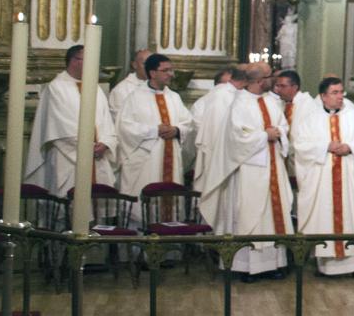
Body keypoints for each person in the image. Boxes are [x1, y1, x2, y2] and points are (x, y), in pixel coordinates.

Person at [204, 63, 292, 281]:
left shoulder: (272, 102)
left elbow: (283, 126)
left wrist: (278, 132)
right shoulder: (239, 105)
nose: (274, 79)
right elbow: (236, 139)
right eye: (270, 76)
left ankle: (272, 264)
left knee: (272, 217)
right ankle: (245, 267)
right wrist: (265, 136)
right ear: (260, 80)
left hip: (272, 167)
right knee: (249, 217)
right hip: (249, 172)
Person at [294, 76, 354, 276]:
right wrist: (325, 147)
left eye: (341, 92)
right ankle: (327, 266)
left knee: (353, 217)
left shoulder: (353, 116)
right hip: (322, 181)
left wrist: (350, 147)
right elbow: (301, 146)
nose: (340, 97)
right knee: (325, 217)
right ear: (323, 96)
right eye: (335, 93)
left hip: (350, 179)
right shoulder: (310, 121)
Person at [24, 44, 117, 195]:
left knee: (97, 207)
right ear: (74, 61)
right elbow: (59, 126)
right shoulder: (56, 88)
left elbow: (106, 121)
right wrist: (87, 146)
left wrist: (106, 143)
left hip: (98, 156)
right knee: (70, 207)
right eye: (89, 60)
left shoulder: (95, 88)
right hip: (68, 157)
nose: (94, 65)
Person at [115, 54, 195, 218]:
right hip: (146, 160)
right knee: (144, 213)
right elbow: (125, 127)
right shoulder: (135, 98)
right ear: (152, 73)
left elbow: (188, 123)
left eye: (171, 70)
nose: (171, 74)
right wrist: (154, 130)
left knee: (170, 211)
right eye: (165, 70)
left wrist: (177, 130)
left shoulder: (174, 97)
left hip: (170, 157)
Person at [193, 67, 247, 228]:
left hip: (225, 158)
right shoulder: (224, 97)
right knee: (222, 206)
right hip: (224, 159)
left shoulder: (225, 96)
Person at [108, 47, 151, 121]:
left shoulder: (161, 88)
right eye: (145, 63)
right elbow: (121, 121)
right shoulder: (121, 90)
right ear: (134, 65)